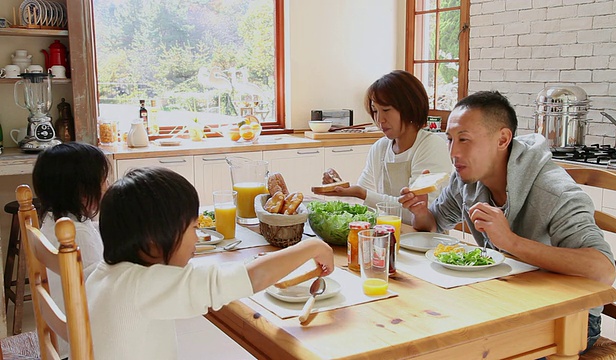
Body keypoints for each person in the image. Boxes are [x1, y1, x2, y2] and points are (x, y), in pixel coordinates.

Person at [399, 90, 616, 351]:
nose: (453, 152)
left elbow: (603, 270)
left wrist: (511, 242)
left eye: (464, 139)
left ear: (502, 139)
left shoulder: (554, 191)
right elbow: (434, 224)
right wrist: (422, 212)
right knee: (421, 328)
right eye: (449, 140)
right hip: (504, 301)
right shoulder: (466, 178)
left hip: (568, 319)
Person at [86, 167, 334, 360]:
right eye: (193, 228)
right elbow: (250, 279)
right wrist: (311, 246)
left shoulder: (105, 274)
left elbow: (218, 275)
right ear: (153, 239)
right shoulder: (143, 285)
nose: (197, 237)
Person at [321, 70, 452, 223]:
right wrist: (342, 187)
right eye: (375, 111)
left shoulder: (431, 146)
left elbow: (418, 212)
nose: (379, 119)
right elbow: (364, 202)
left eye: (386, 110)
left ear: (409, 107)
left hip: (424, 241)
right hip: (387, 234)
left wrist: (361, 193)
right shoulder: (380, 147)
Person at [32, 141, 110, 358]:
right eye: (103, 181)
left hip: (62, 336)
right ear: (83, 192)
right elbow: (103, 290)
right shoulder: (78, 236)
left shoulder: (53, 222)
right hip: (81, 344)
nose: (107, 186)